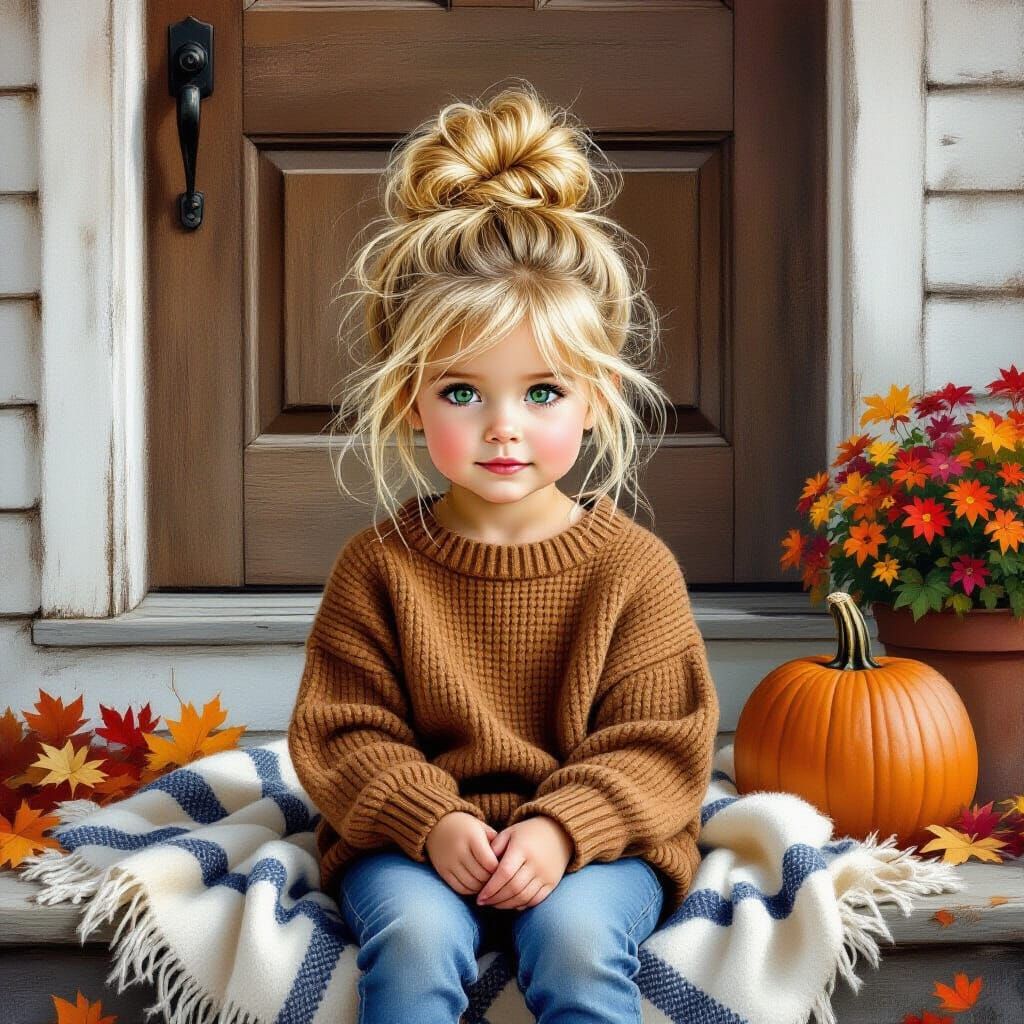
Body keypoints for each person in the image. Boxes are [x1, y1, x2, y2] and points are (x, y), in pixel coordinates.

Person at [287, 79, 720, 1024]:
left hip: (595, 849)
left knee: (574, 942)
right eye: (461, 393)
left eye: (542, 392)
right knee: (414, 940)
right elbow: (343, 733)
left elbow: (661, 746)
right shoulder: (379, 566)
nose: (502, 426)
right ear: (409, 400)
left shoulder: (633, 569)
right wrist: (429, 820)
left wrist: (565, 829)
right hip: (416, 844)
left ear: (598, 398)